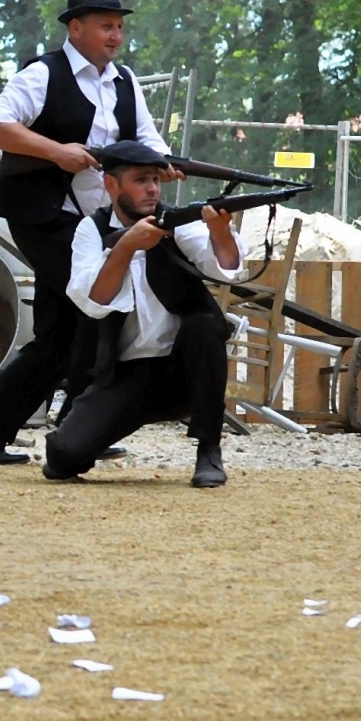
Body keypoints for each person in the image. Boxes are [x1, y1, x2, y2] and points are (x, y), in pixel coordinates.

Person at [0, 0, 176, 465]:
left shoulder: (125, 82)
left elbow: (149, 141)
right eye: (105, 26)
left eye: (118, 27)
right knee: (95, 308)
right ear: (76, 28)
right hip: (44, 214)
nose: (115, 36)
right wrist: (56, 152)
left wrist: (162, 163)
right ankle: (77, 425)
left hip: (90, 223)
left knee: (62, 333)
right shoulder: (43, 73)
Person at [42, 141, 246, 487]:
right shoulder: (91, 231)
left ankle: (209, 450)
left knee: (204, 326)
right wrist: (126, 246)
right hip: (126, 374)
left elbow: (227, 267)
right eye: (141, 180)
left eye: (156, 179)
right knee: (64, 458)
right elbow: (92, 299)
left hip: (184, 367)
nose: (152, 188)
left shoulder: (179, 221)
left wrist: (220, 233)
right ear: (112, 184)